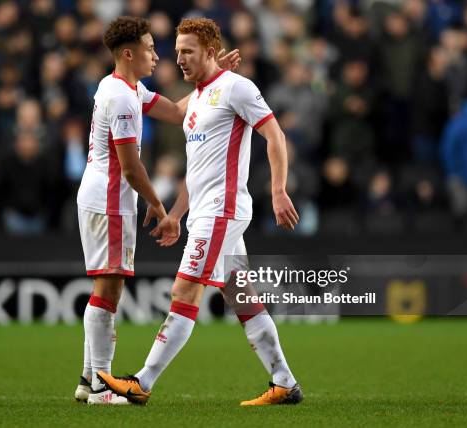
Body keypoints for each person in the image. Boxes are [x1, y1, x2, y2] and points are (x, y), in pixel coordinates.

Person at [97, 17, 303, 407]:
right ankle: (284, 382)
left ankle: (141, 383)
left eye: (188, 52)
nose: (180, 60)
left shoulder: (237, 89)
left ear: (210, 52)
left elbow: (274, 134)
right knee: (242, 296)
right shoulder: (198, 100)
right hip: (206, 212)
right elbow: (198, 171)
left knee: (183, 290)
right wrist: (175, 213)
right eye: (176, 53)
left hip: (223, 212)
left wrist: (278, 190)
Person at [74, 16, 240, 405]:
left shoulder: (124, 87)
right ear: (128, 53)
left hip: (104, 198)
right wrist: (158, 204)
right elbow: (131, 167)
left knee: (106, 288)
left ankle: (87, 379)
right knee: (107, 290)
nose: (157, 54)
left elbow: (178, 111)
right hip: (110, 201)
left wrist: (215, 77)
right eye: (150, 47)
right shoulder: (122, 99)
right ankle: (101, 385)